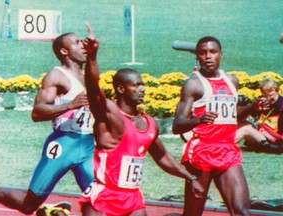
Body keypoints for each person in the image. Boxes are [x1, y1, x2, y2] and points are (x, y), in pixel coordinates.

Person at [79, 22, 204, 216]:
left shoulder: (149, 123)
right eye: (136, 85)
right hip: (104, 198)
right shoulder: (110, 116)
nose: (143, 89)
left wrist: (190, 178)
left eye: (143, 84)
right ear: (121, 89)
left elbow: (162, 156)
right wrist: (92, 56)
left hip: (132, 199)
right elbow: (93, 88)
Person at [0, 32, 95, 215]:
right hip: (63, 145)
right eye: (77, 43)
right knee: (28, 205)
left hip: (88, 145)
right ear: (64, 51)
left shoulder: (89, 75)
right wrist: (71, 104)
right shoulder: (57, 76)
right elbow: (37, 112)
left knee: (101, 201)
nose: (82, 46)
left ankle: (51, 212)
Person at [172, 36, 250, 216]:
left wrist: (253, 108)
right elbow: (177, 125)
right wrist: (198, 120)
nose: (208, 56)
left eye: (213, 52)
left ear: (220, 55)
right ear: (197, 57)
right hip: (202, 152)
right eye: (202, 53)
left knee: (241, 211)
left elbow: (231, 117)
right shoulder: (193, 83)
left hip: (228, 151)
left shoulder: (232, 81)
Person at [236, 78, 283, 153]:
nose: (268, 98)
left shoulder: (281, 105)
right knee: (241, 123)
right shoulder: (262, 102)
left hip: (274, 140)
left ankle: (224, 146)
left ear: (276, 90)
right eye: (265, 95)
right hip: (261, 134)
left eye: (271, 95)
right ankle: (218, 142)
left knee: (246, 129)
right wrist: (253, 107)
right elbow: (239, 117)